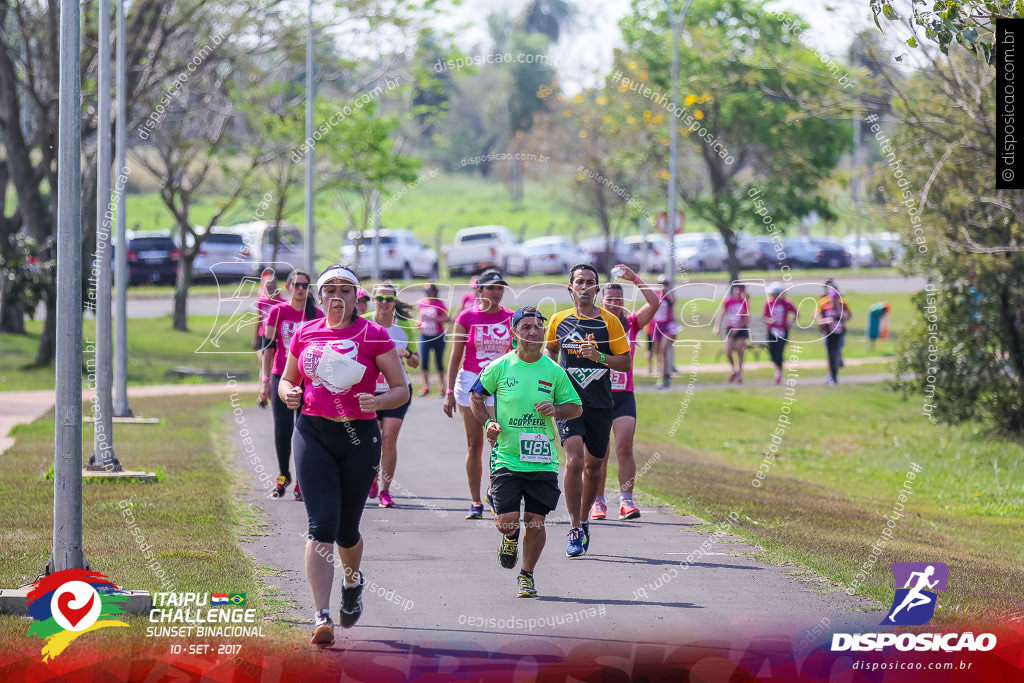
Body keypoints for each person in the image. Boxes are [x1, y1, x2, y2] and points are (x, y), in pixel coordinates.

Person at [278, 264, 408, 644]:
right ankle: (321, 616)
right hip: (313, 433)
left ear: (356, 297)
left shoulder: (374, 334)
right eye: (330, 289)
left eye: (345, 289)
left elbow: (401, 389)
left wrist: (379, 399)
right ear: (320, 297)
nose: (337, 295)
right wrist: (288, 392)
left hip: (358, 437)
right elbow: (289, 378)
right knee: (321, 526)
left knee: (347, 530)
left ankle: (353, 581)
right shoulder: (304, 332)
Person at [470, 306, 582, 597]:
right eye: (527, 327)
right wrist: (488, 421)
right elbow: (476, 396)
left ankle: (527, 575)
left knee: (536, 521)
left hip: (542, 460)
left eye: (538, 326)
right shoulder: (500, 367)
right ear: (514, 333)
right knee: (506, 521)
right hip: (507, 455)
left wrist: (556, 409)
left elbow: (576, 407)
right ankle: (510, 537)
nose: (533, 332)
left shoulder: (554, 372)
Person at [545, 264, 631, 557]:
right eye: (579, 281)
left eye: (590, 282)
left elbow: (626, 363)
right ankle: (572, 526)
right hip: (569, 402)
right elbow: (550, 350)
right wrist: (554, 375)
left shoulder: (611, 322)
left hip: (599, 403)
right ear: (570, 288)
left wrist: (600, 356)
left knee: (594, 467)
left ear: (597, 288)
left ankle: (584, 522)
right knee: (574, 459)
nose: (584, 286)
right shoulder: (558, 320)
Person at [443, 269, 514, 519]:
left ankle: (494, 490)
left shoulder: (510, 318)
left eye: (500, 288)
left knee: (499, 442)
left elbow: (518, 354)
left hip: (501, 384)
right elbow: (455, 356)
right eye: (491, 287)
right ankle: (475, 501)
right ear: (480, 290)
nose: (496, 292)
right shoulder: (466, 317)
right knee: (475, 444)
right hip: (471, 382)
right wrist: (449, 391)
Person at [591, 265, 660, 521]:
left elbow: (655, 303)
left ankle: (626, 501)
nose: (615, 304)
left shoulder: (631, 324)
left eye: (619, 300)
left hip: (623, 396)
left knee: (624, 448)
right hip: (597, 396)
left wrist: (635, 279)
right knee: (600, 452)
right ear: (603, 301)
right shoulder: (594, 323)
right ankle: (597, 502)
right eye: (610, 299)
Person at [259, 270, 323, 500]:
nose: (301, 289)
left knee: (304, 430)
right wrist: (265, 381)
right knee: (283, 429)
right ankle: (284, 475)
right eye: (296, 285)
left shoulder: (316, 314)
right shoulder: (277, 312)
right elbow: (267, 348)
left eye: (305, 285)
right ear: (288, 287)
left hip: (308, 380)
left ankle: (302, 481)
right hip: (282, 377)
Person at [364, 282, 419, 508]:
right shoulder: (364, 322)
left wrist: (406, 353)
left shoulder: (404, 326)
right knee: (371, 441)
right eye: (380, 299)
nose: (384, 304)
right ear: (373, 301)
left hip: (397, 391)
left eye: (388, 300)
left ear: (394, 302)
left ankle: (385, 491)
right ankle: (371, 477)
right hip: (370, 391)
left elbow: (416, 362)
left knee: (389, 438)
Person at [254, 270, 284, 402]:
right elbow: (259, 320)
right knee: (263, 365)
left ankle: (274, 393)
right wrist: (255, 337)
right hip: (263, 336)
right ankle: (262, 395)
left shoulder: (282, 303)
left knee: (273, 366)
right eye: (267, 288)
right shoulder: (261, 301)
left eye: (272, 287)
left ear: (276, 287)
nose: (270, 290)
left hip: (276, 338)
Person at [713, 283, 750, 384]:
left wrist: (738, 328)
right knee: (727, 350)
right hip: (730, 327)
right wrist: (717, 326)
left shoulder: (745, 302)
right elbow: (721, 314)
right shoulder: (729, 301)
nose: (737, 293)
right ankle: (734, 370)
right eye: (736, 290)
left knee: (739, 349)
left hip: (741, 329)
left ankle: (739, 373)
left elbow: (747, 318)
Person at [417, 283, 449, 397]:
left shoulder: (440, 304)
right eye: (425, 292)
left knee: (438, 361)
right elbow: (419, 316)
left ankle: (442, 386)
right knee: (424, 360)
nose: (427, 294)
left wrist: (437, 318)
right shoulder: (422, 303)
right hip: (425, 335)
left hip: (438, 335)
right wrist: (419, 323)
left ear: (435, 292)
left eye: (429, 291)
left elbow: (447, 318)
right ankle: (426, 386)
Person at [816, 279, 851, 385]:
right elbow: (817, 318)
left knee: (836, 352)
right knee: (830, 354)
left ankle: (834, 373)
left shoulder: (843, 302)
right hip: (827, 333)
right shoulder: (823, 303)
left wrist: (839, 309)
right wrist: (826, 321)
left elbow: (847, 317)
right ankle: (832, 374)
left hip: (839, 333)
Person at [762, 282, 798, 384]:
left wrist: (791, 321)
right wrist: (770, 321)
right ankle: (777, 367)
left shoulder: (787, 303)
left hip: (783, 331)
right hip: (772, 331)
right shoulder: (769, 303)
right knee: (772, 352)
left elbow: (796, 313)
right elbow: (764, 317)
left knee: (780, 351)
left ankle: (778, 372)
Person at [650, 276, 679, 389]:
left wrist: (666, 291)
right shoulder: (655, 296)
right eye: (661, 283)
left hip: (668, 327)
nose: (663, 285)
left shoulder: (669, 296)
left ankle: (662, 378)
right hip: (656, 327)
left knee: (663, 351)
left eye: (666, 283)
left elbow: (674, 302)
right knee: (657, 352)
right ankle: (665, 374)